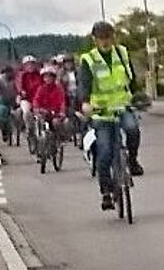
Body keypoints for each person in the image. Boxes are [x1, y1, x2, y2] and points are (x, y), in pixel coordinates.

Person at [79, 21, 145, 211]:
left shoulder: (122, 53)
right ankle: (106, 192)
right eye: (101, 38)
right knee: (105, 151)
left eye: (108, 37)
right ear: (95, 39)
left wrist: (138, 97)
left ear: (113, 37)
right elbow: (85, 83)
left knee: (133, 129)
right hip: (101, 113)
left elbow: (131, 79)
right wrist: (85, 103)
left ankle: (132, 161)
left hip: (122, 105)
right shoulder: (89, 59)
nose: (105, 41)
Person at [33, 64, 70, 140]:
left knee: (56, 123)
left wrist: (62, 112)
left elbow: (62, 101)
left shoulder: (59, 89)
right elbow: (36, 100)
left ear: (54, 78)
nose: (48, 79)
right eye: (45, 77)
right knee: (39, 121)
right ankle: (38, 139)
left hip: (55, 114)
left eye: (50, 76)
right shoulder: (41, 88)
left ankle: (59, 139)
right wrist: (37, 108)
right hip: (44, 113)